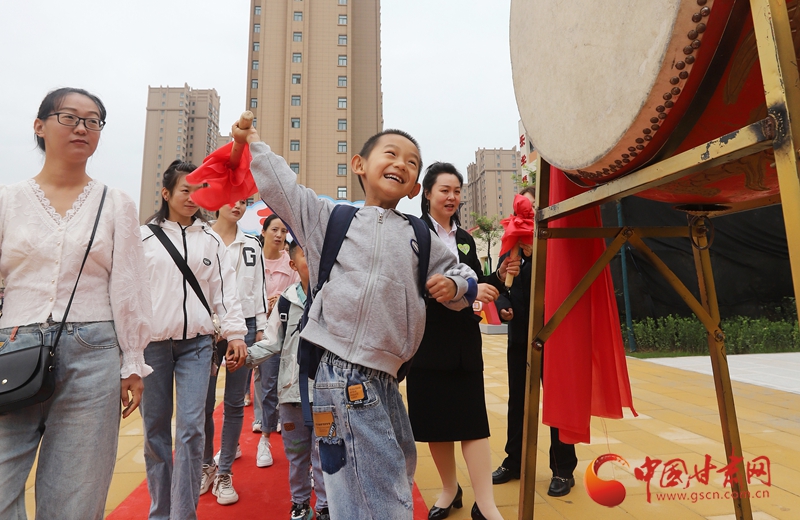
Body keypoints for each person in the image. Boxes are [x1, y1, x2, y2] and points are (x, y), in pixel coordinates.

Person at [231, 123, 477, 519]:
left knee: (375, 474)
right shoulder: (331, 218)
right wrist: (254, 143)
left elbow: (464, 275)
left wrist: (454, 285)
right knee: (382, 489)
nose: (401, 163)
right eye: (391, 153)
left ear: (415, 187)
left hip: (387, 377)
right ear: (359, 165)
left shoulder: (419, 235)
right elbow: (283, 189)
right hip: (341, 371)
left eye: (412, 162)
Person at [0, 87, 153, 519]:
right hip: (13, 347)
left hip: (94, 352)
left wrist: (133, 362)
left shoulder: (115, 203)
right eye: (69, 117)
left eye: (93, 121)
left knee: (76, 499)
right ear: (40, 126)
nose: (82, 128)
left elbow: (129, 286)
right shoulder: (8, 200)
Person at [140, 161, 249, 520]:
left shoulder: (211, 240)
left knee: (190, 429)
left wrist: (235, 334)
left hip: (198, 346)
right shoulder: (142, 238)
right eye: (184, 190)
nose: (192, 197)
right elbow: (129, 295)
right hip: (152, 346)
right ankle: (161, 511)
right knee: (155, 431)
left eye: (199, 190)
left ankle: (184, 513)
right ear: (166, 193)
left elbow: (225, 292)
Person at [406, 163, 503, 520]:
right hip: (425, 338)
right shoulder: (413, 233)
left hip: (463, 337)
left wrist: (497, 279)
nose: (452, 197)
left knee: (472, 421)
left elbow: (475, 280)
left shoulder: (464, 238)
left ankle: (486, 504)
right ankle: (449, 490)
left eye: (457, 191)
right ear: (427, 193)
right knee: (436, 422)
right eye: (444, 190)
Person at [488, 186, 578, 497]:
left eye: (533, 208)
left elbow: (564, 279)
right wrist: (503, 306)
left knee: (557, 401)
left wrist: (535, 253)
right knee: (518, 401)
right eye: (523, 209)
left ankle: (563, 469)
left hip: (553, 335)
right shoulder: (510, 245)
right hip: (520, 337)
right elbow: (501, 285)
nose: (526, 214)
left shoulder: (554, 243)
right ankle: (514, 462)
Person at [246, 241, 330, 520]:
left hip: (326, 392)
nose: (313, 259)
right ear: (293, 265)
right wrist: (245, 357)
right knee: (296, 454)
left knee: (325, 453)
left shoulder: (332, 295)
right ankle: (300, 502)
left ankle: (326, 506)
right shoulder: (287, 301)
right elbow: (271, 342)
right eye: (306, 255)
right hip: (292, 394)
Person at [200, 199, 268, 505]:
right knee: (203, 402)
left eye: (242, 200)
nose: (237, 205)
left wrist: (261, 328)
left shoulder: (252, 244)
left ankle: (225, 471)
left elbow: (259, 289)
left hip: (246, 326)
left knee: (235, 402)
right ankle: (206, 465)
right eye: (231, 199)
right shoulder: (201, 237)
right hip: (206, 328)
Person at [251, 214, 299, 467]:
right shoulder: (253, 260)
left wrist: (281, 299)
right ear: (264, 231)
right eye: (274, 230)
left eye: (283, 231)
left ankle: (290, 435)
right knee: (266, 383)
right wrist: (262, 306)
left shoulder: (290, 263)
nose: (279, 235)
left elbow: (299, 291)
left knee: (287, 382)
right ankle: (265, 438)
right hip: (260, 330)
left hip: (286, 331)